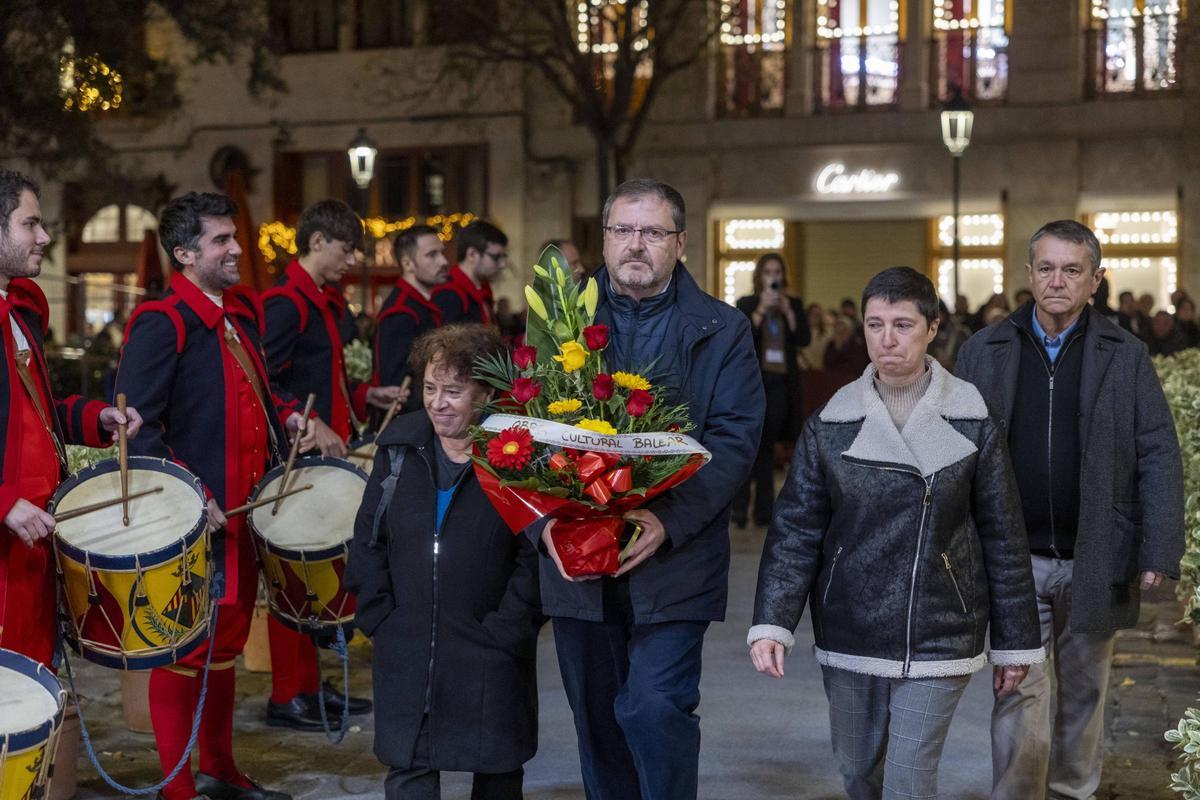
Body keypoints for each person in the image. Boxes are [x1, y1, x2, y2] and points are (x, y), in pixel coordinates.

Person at [749, 266, 1042, 800]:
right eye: (875, 324)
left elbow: (1003, 535)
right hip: (850, 626)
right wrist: (772, 621)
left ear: (933, 328)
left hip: (942, 627)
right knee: (858, 769)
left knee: (910, 779)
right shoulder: (830, 423)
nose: (887, 340)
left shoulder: (972, 417)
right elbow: (796, 530)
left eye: (903, 325)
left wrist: (1015, 643)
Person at [535, 178, 764, 800]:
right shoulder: (558, 323)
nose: (636, 244)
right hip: (579, 559)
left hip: (675, 559)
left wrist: (670, 520)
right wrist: (543, 526)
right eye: (623, 230)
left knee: (655, 706)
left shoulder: (722, 329)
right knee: (598, 724)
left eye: (653, 232)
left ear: (680, 243)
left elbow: (735, 438)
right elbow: (519, 430)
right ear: (604, 239)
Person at [955, 220, 1185, 800]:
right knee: (1019, 691)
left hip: (1097, 555)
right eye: (1046, 268)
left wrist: (1158, 547)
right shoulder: (984, 351)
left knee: (1085, 693)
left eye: (1072, 270)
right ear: (1029, 274)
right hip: (1013, 560)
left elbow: (1158, 449)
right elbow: (955, 451)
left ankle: (1071, 793)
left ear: (1095, 280)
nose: (1057, 281)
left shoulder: (1126, 355)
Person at [117, 192, 304, 800]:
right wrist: (193, 494)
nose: (237, 249)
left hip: (243, 520)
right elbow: (139, 430)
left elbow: (256, 397)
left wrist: (287, 422)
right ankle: (176, 790)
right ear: (184, 253)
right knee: (183, 650)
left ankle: (220, 770)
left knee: (223, 647)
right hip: (192, 521)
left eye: (233, 237)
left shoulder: (236, 318)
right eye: (221, 240)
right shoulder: (162, 322)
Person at [346, 323, 543, 800]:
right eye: (431, 388)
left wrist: (508, 630)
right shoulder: (398, 448)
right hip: (406, 646)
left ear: (486, 394)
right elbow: (368, 539)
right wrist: (381, 617)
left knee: (497, 772)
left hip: (490, 650)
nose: (438, 403)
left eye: (453, 391)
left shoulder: (516, 454)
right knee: (408, 768)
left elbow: (536, 555)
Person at [261, 199, 395, 729]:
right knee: (291, 573)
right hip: (295, 456)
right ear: (317, 242)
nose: (353, 259)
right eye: (347, 248)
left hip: (323, 455)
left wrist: (364, 394)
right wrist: (305, 420)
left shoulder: (321, 300)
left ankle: (311, 686)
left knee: (315, 576)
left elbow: (321, 375)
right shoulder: (284, 303)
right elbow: (263, 380)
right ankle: (287, 694)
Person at [0, 170, 143, 668]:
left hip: (35, 537)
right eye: (30, 224)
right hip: (6, 541)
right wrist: (4, 502)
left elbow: (37, 408)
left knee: (34, 675)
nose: (44, 237)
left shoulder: (20, 311)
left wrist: (98, 417)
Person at [733, 253, 811, 528]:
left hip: (780, 383)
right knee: (747, 447)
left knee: (767, 448)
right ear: (759, 276)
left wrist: (788, 312)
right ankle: (739, 510)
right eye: (768, 272)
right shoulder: (747, 303)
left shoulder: (793, 304)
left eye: (777, 272)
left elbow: (804, 339)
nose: (773, 277)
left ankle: (763, 512)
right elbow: (740, 339)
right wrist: (761, 311)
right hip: (753, 382)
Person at [374, 224, 449, 413]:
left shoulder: (421, 304)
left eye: (442, 253)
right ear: (408, 264)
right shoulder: (401, 312)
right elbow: (397, 386)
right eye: (432, 255)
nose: (443, 261)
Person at [431, 220, 508, 325]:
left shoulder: (483, 289)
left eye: (504, 257)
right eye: (496, 257)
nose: (503, 264)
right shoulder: (448, 294)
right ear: (472, 254)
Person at [798, 303, 833, 371]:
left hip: (821, 369)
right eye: (813, 314)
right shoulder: (801, 332)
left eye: (818, 315)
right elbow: (797, 352)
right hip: (804, 369)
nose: (815, 317)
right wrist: (804, 365)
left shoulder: (827, 334)